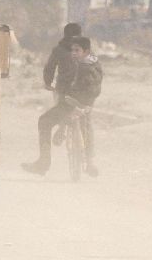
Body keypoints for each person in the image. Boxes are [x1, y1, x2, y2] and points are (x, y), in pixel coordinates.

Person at [23, 36, 103, 177]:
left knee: (45, 121)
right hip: (87, 103)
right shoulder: (94, 62)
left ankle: (43, 162)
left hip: (71, 102)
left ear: (85, 51)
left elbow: (51, 70)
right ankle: (90, 162)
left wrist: (49, 84)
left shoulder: (71, 60)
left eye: (76, 50)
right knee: (86, 123)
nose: (73, 53)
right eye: (73, 50)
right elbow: (95, 87)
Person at [43, 23, 83, 95]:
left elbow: (50, 67)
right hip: (81, 88)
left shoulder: (58, 49)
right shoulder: (85, 49)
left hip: (63, 88)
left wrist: (47, 83)